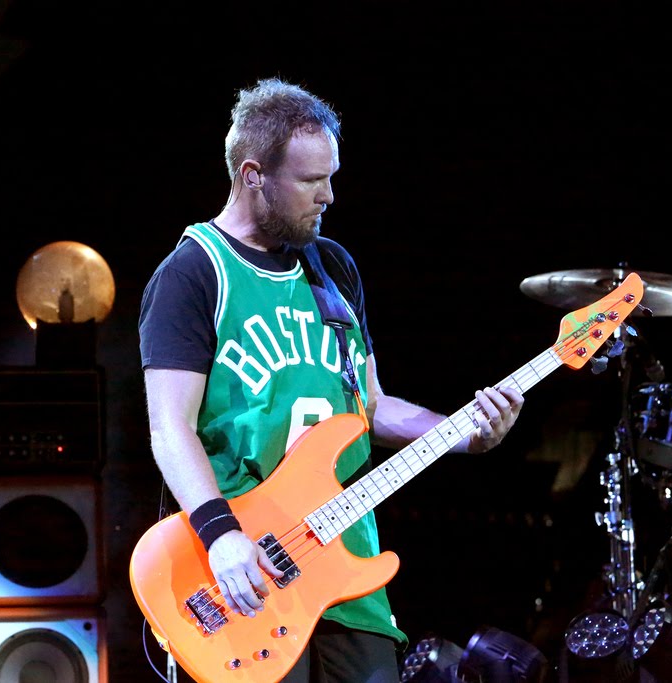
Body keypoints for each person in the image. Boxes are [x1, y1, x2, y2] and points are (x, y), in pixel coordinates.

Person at [137, 77, 524, 683]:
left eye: (332, 177)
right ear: (253, 174)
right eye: (312, 181)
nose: (329, 196)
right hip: (244, 568)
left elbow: (369, 405)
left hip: (346, 565)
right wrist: (222, 537)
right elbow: (169, 428)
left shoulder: (333, 267)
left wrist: (462, 433)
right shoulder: (192, 273)